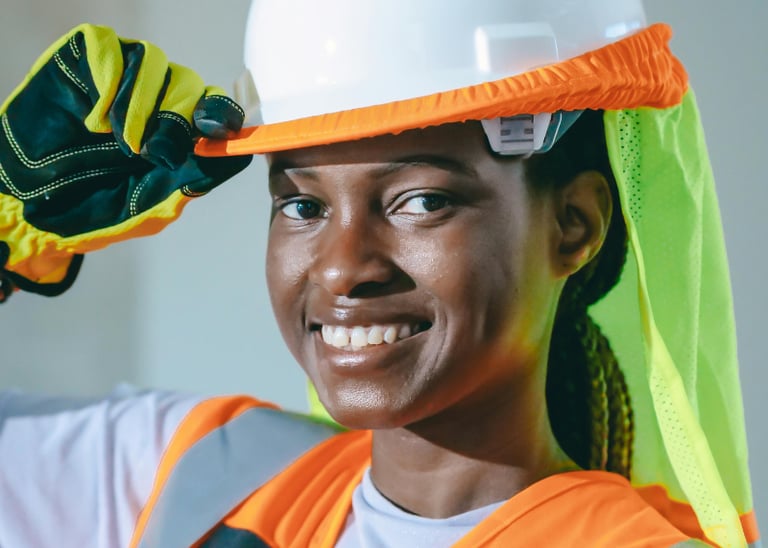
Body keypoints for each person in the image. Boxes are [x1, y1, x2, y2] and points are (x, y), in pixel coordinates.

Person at [0, 1, 759, 547]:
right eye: (300, 206)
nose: (342, 267)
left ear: (575, 225)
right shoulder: (203, 474)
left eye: (421, 201)